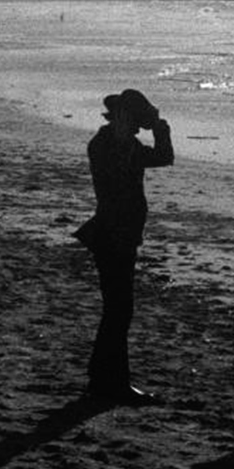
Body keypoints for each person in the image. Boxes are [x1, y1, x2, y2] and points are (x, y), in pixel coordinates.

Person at [74, 88, 174, 405]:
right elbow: (112, 181)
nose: (135, 128)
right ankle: (112, 382)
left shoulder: (126, 145)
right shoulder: (105, 145)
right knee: (118, 309)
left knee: (118, 310)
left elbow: (164, 157)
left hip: (123, 235)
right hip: (111, 235)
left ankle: (103, 378)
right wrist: (123, 142)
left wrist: (161, 127)